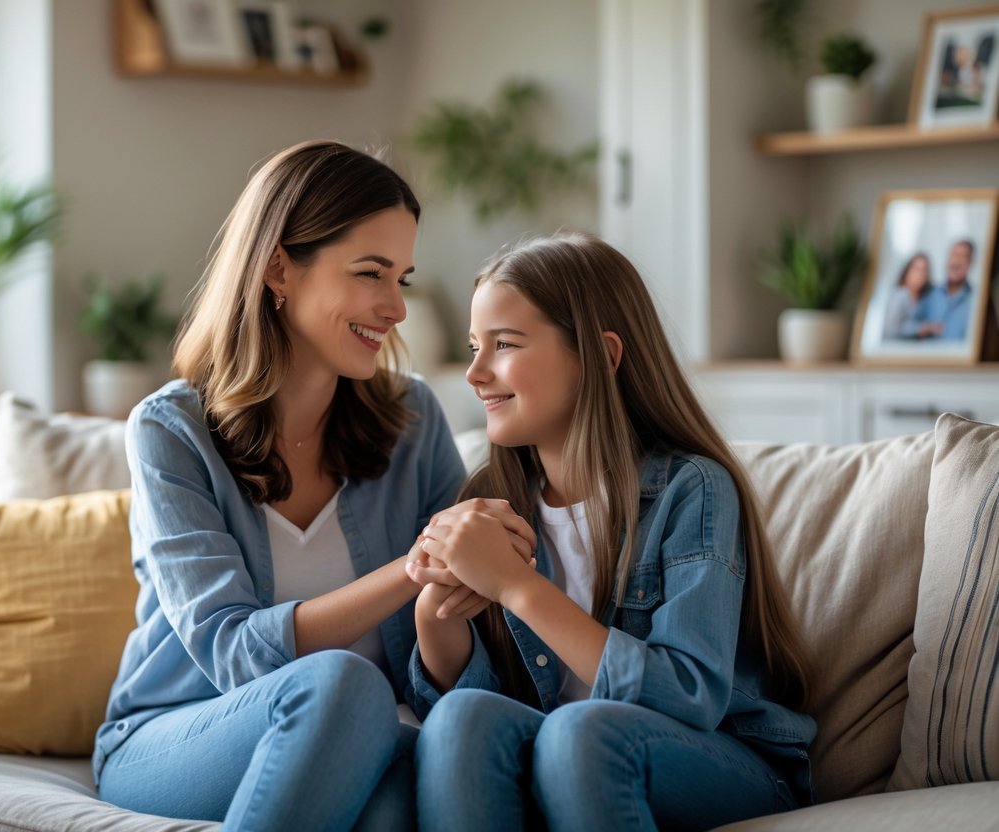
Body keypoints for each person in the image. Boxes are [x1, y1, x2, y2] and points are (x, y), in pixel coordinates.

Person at [93, 140, 530, 830]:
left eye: (402, 279)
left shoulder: (412, 418)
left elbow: (461, 649)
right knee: (343, 682)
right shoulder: (171, 432)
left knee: (394, 808)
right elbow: (234, 654)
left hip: (369, 734)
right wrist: (418, 563)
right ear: (277, 269)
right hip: (177, 735)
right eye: (369, 274)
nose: (395, 308)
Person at [405, 232, 817, 831]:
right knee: (460, 720)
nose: (473, 372)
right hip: (563, 747)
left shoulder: (691, 491)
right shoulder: (488, 502)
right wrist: (434, 614)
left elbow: (689, 694)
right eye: (474, 346)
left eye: (505, 344)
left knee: (580, 732)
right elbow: (472, 699)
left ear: (601, 355)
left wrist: (518, 587)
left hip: (721, 761)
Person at [919, 239, 976, 341]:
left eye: (963, 257)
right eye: (954, 255)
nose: (957, 261)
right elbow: (907, 325)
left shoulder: (976, 301)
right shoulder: (930, 294)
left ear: (971, 263)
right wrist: (922, 328)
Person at [882, 252, 932, 340]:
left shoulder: (925, 298)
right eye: (917, 269)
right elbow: (890, 330)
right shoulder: (899, 296)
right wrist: (919, 329)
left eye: (924, 270)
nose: (921, 274)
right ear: (907, 271)